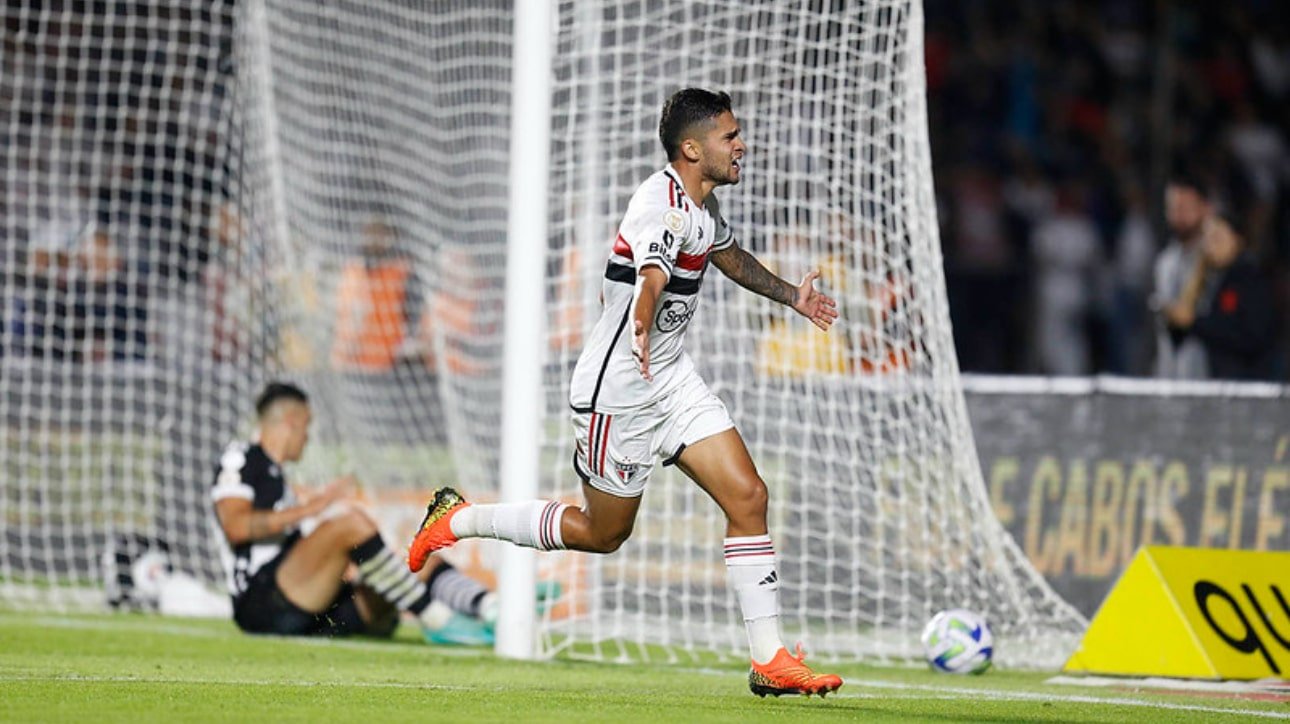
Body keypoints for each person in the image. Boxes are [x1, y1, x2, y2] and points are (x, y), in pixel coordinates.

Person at [408, 89, 843, 697]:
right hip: (619, 391)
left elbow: (729, 257)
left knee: (748, 495)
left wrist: (791, 297)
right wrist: (642, 319)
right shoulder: (658, 204)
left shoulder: (704, 206)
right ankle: (460, 518)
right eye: (729, 136)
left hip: (670, 376)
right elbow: (652, 272)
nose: (741, 145)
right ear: (692, 149)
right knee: (603, 533)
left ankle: (769, 658)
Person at [211, 382, 499, 644]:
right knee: (350, 524)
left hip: (308, 609)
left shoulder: (276, 477)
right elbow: (235, 527)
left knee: (420, 563)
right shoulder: (241, 458)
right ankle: (438, 620)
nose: (307, 437)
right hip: (263, 604)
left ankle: (492, 608)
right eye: (306, 426)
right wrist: (312, 507)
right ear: (292, 422)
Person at [1162, 219, 1277, 380]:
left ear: (1237, 239)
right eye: (1206, 238)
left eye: (1217, 237)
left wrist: (1194, 322)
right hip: (1198, 377)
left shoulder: (1251, 278)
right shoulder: (1203, 277)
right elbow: (1180, 335)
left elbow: (1250, 338)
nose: (1210, 245)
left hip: (1241, 384)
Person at [1151, 174, 1214, 379]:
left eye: (1186, 208)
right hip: (1171, 375)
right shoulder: (1165, 263)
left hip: (1212, 375)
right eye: (1173, 208)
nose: (1179, 216)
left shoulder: (1217, 260)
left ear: (1206, 208)